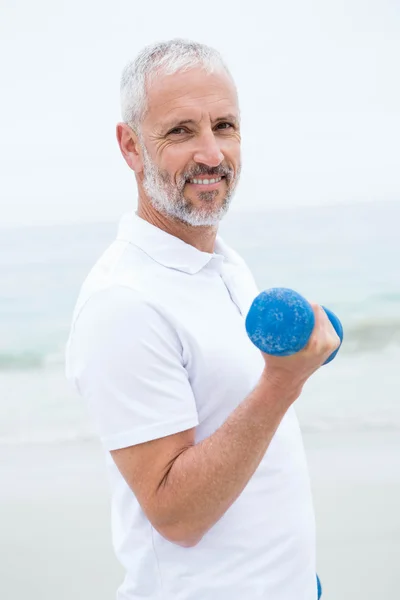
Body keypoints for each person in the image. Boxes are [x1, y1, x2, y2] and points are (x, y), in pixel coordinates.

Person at [65, 38, 339, 600]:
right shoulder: (122, 303)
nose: (212, 153)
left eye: (225, 126)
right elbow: (177, 515)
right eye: (181, 131)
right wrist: (281, 383)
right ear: (131, 146)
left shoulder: (223, 263)